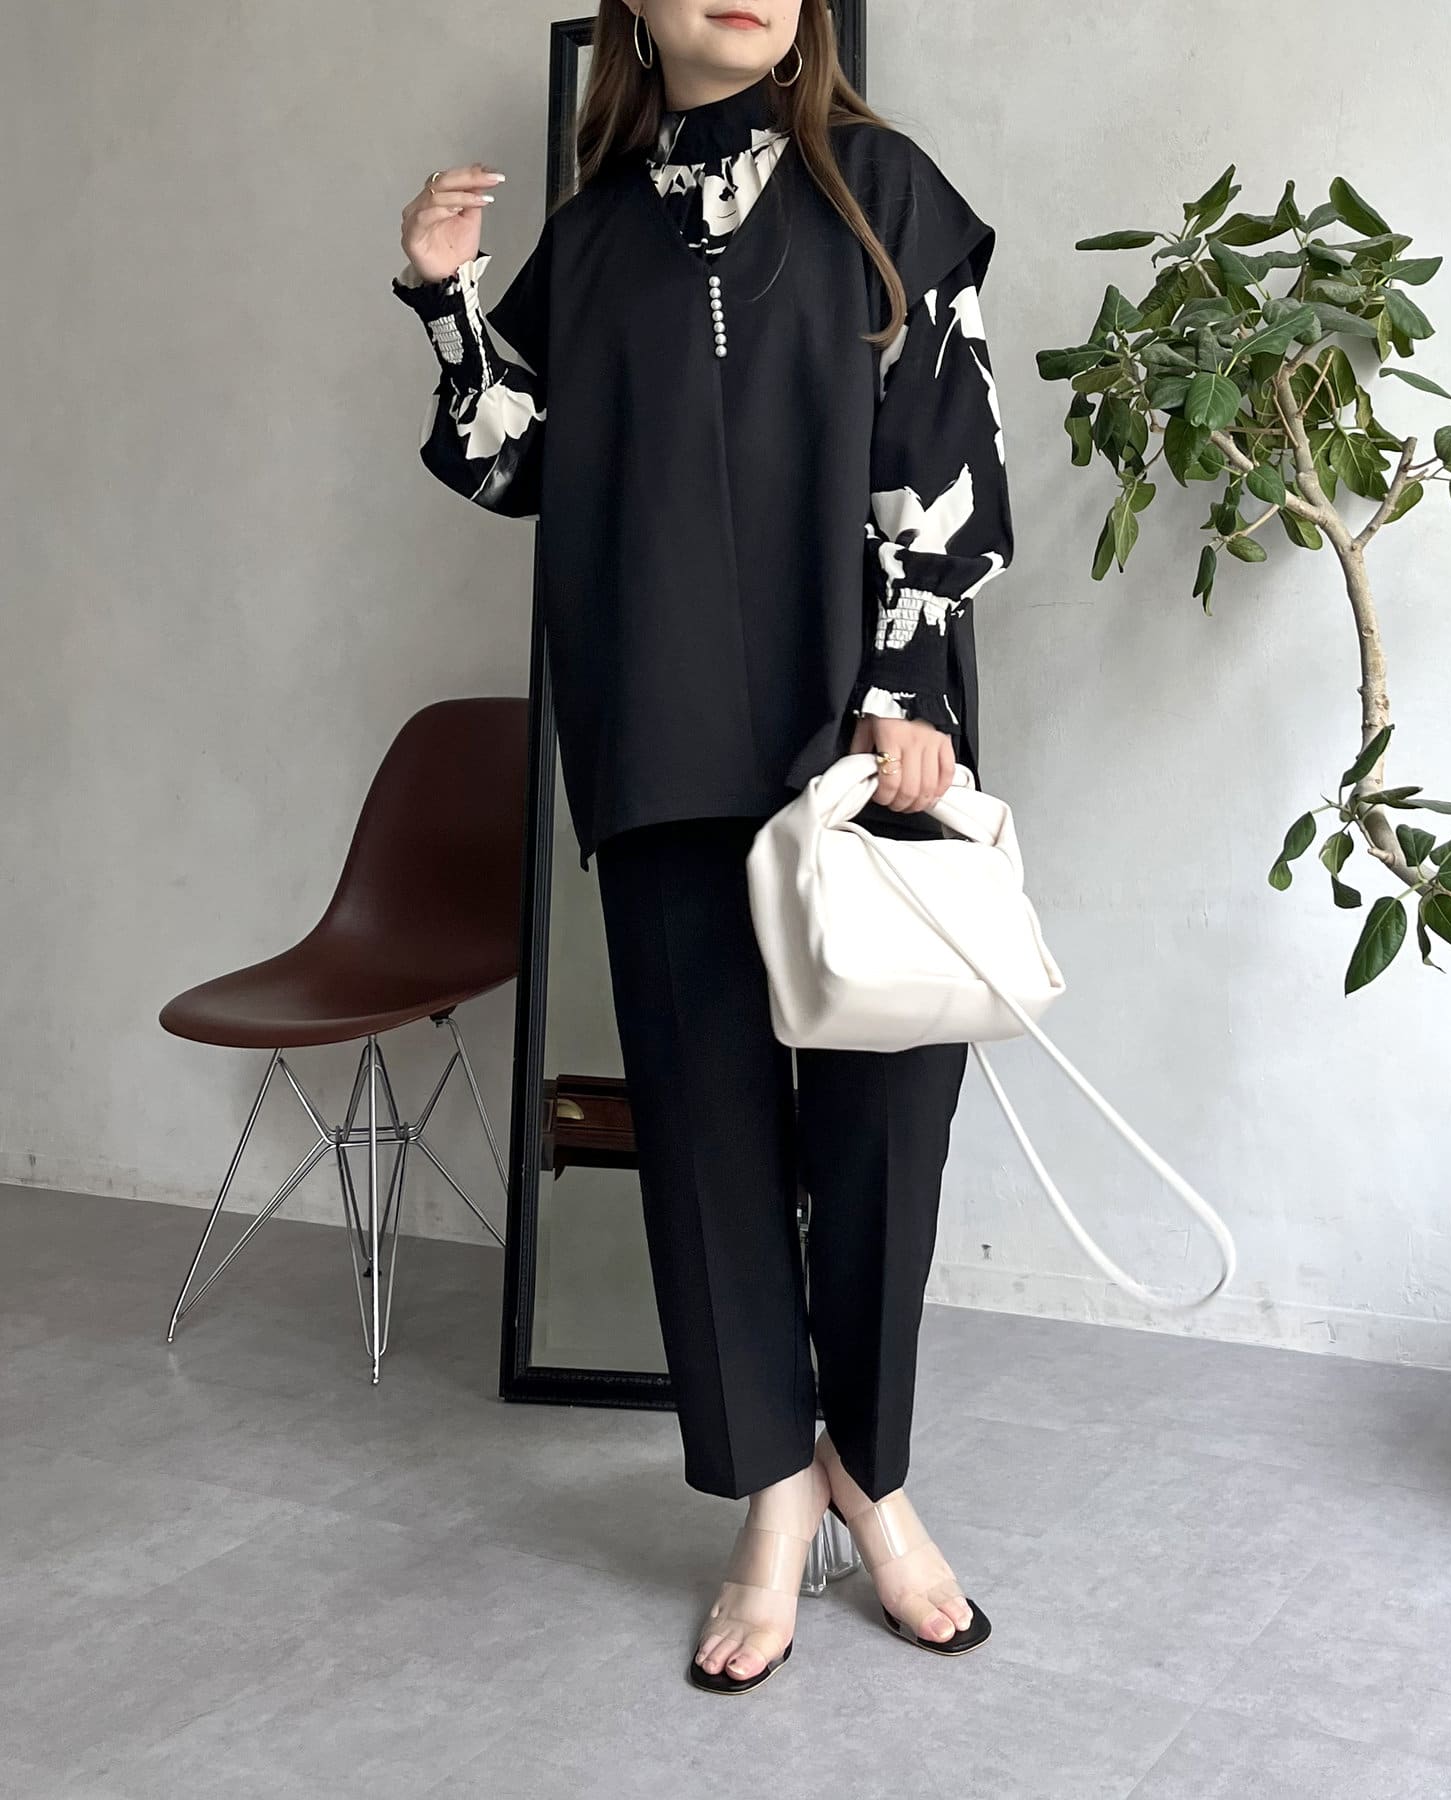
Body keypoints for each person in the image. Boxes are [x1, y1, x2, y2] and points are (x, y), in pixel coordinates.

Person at [393, 0, 1014, 1694]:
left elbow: (946, 440)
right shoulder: (596, 238)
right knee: (708, 1137)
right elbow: (508, 462)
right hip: (662, 737)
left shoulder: (888, 189)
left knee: (886, 1133)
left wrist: (907, 685)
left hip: (869, 741)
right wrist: (447, 295)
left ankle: (871, 1480)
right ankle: (768, 1496)